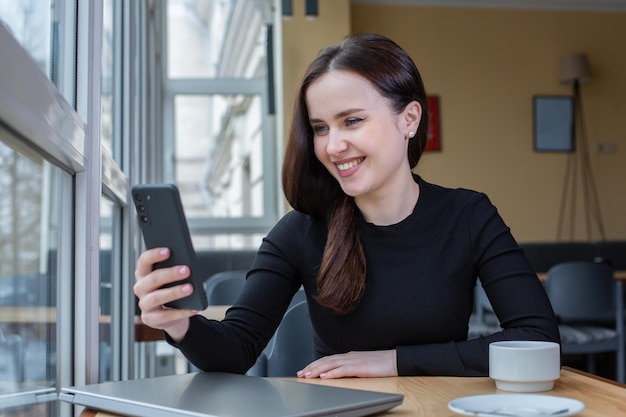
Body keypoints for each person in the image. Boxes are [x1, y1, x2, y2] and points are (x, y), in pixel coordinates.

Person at [134, 33, 560, 378]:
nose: (333, 146)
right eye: (320, 128)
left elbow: (538, 339)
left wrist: (391, 361)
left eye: (352, 121)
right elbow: (237, 349)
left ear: (409, 119)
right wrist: (178, 323)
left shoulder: (468, 215)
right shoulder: (299, 232)